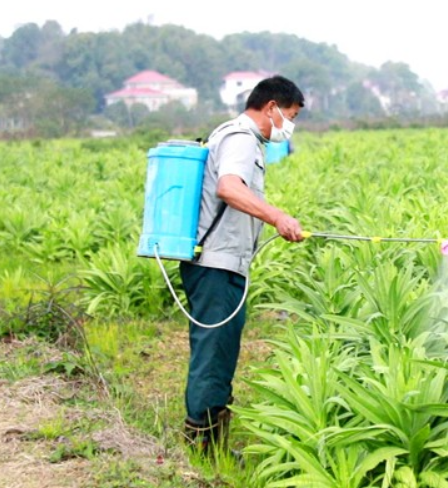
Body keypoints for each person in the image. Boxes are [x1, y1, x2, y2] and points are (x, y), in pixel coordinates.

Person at [181, 75, 304, 455]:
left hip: (224, 262)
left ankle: (212, 442)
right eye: (291, 115)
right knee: (213, 353)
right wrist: (277, 217)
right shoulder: (240, 138)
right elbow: (229, 188)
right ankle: (201, 445)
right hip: (217, 264)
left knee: (220, 350)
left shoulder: (238, 136)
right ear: (271, 107)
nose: (290, 125)